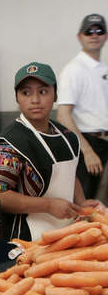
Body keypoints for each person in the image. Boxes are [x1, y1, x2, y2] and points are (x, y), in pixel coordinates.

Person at [0, 62, 103, 241]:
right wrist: (47, 205)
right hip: (26, 241)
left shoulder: (67, 136)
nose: (35, 100)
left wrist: (81, 202)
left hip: (66, 235)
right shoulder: (9, 144)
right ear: (17, 98)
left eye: (43, 91)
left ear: (55, 95)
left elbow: (72, 176)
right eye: (26, 93)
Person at [57, 13, 108, 199]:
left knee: (102, 205)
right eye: (89, 31)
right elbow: (63, 115)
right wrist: (88, 152)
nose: (94, 35)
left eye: (99, 30)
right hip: (89, 144)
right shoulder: (74, 69)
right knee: (86, 203)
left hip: (103, 144)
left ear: (106, 35)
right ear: (80, 36)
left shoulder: (101, 68)